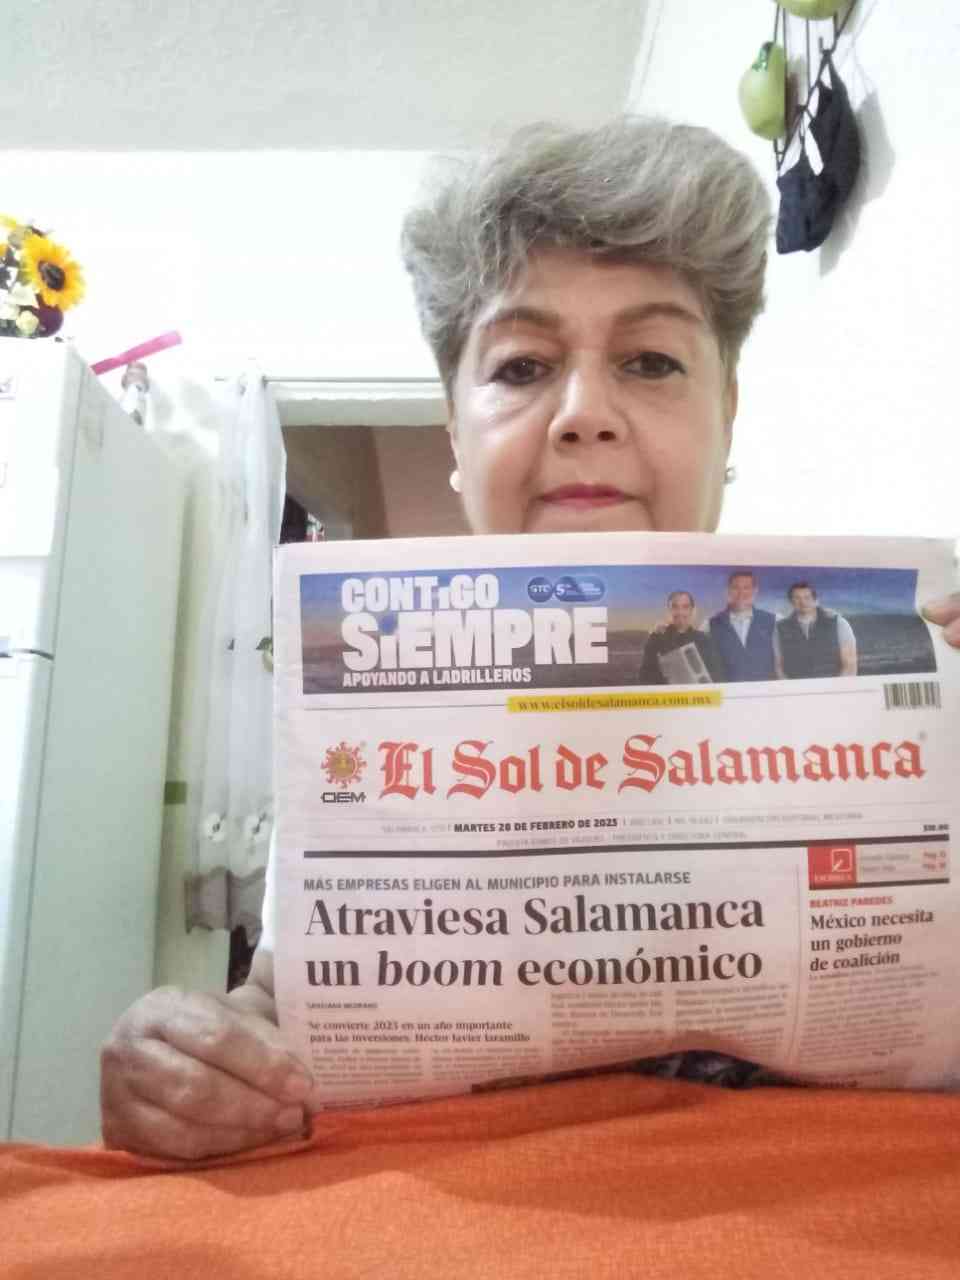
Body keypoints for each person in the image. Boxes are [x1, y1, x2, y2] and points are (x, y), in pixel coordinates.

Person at [100, 115, 960, 1161]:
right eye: (520, 368)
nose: (584, 413)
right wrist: (198, 1061)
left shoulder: (911, 664)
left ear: (728, 412)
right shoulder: (351, 727)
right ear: (455, 433)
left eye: (650, 360)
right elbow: (280, 1017)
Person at [638, 590, 724, 684]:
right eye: (675, 607)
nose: (680, 612)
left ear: (692, 610)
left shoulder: (704, 640)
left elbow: (717, 678)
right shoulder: (656, 639)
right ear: (668, 611)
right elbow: (644, 678)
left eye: (685, 607)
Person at [775, 580, 857, 678]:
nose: (803, 602)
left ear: (816, 600)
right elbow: (778, 667)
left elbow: (850, 666)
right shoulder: (780, 628)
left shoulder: (839, 623)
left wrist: (835, 687)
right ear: (791, 602)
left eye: (807, 597)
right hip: (796, 686)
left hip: (832, 685)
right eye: (797, 598)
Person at [708, 570, 777, 681]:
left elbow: (780, 662)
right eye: (735, 588)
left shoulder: (773, 621)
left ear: (755, 591)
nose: (741, 593)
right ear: (728, 591)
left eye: (746, 588)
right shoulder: (710, 624)